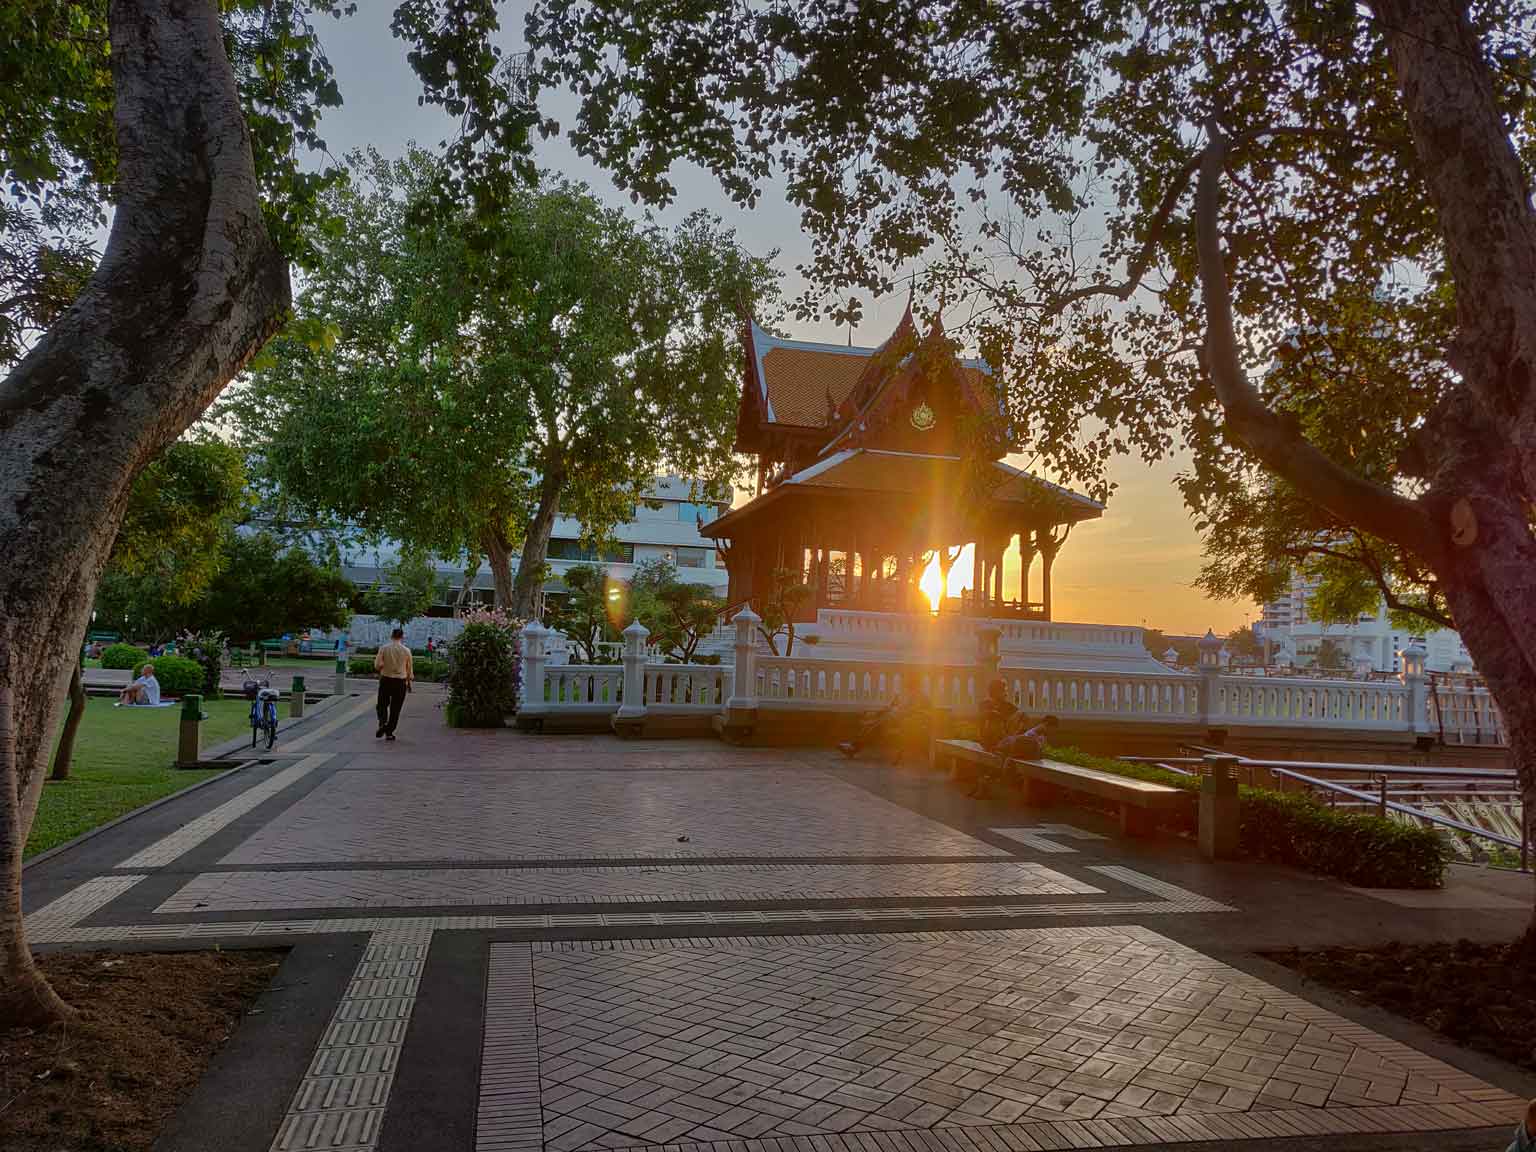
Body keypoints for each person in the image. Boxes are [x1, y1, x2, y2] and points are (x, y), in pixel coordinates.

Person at [838, 690, 932, 762]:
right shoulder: (905, 695)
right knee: (871, 724)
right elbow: (892, 706)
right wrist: (885, 710)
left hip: (900, 721)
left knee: (874, 725)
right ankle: (853, 746)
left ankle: (854, 747)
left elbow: (924, 712)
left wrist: (906, 714)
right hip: (892, 718)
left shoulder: (920, 697)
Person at [373, 627, 414, 741]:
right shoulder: (406, 651)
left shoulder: (384, 648)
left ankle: (383, 723)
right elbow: (409, 670)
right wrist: (409, 684)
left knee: (382, 704)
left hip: (386, 679)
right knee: (396, 708)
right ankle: (389, 732)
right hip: (400, 682)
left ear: (391, 636)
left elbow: (377, 665)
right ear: (402, 637)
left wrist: (384, 666)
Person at [978, 679, 1017, 750]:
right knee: (993, 718)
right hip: (987, 741)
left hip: (1005, 740)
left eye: (1006, 691)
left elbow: (1013, 727)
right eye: (1003, 691)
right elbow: (981, 724)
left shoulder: (1011, 707)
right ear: (996, 692)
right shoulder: (984, 705)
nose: (1006, 694)